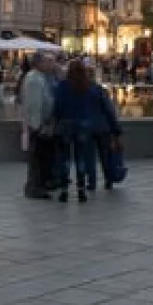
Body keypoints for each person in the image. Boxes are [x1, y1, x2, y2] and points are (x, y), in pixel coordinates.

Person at [51, 60, 99, 202]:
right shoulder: (87, 86)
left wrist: (58, 118)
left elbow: (57, 105)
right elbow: (92, 105)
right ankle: (81, 190)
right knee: (81, 157)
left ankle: (64, 190)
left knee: (65, 157)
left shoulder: (63, 86)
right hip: (82, 124)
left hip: (66, 124)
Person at [20, 53, 56, 198]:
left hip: (42, 124)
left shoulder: (39, 78)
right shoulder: (34, 79)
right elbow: (34, 104)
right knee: (37, 157)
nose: (51, 65)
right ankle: (34, 186)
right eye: (48, 62)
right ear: (39, 64)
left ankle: (39, 184)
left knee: (41, 157)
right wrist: (37, 125)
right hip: (39, 126)